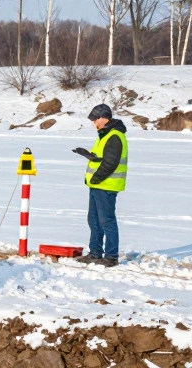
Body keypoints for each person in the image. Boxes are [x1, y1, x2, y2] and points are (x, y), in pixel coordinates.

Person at [72, 103, 128, 267]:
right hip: (97, 185)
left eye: (95, 119)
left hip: (106, 185)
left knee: (107, 221)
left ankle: (111, 257)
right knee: (94, 220)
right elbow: (102, 158)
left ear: (104, 117)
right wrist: (89, 156)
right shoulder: (105, 135)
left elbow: (111, 163)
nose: (94, 122)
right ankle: (95, 253)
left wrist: (96, 178)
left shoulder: (115, 136)